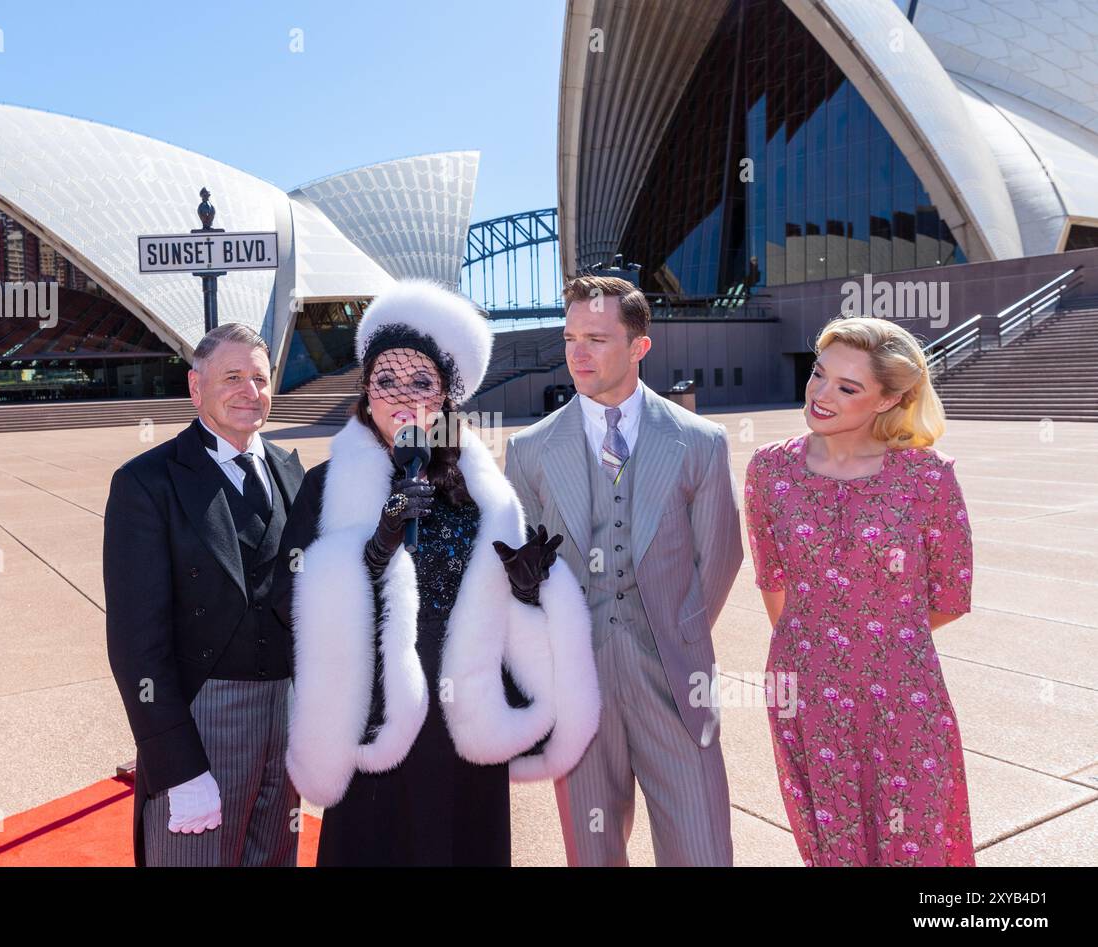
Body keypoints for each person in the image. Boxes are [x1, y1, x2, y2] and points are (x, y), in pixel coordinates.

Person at [274, 279, 599, 866]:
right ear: (366, 392)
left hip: (462, 725)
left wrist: (530, 591)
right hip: (377, 718)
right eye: (386, 381)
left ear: (447, 397)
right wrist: (374, 549)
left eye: (422, 383)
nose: (403, 397)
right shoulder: (324, 487)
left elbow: (506, 613)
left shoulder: (484, 491)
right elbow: (286, 601)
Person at [505, 275, 744, 866]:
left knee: (702, 844)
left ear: (640, 345)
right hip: (577, 685)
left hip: (674, 677)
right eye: (569, 339)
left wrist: (680, 631)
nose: (578, 353)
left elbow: (720, 555)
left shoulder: (700, 441)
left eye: (596, 338)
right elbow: (522, 572)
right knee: (592, 850)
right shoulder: (529, 449)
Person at [744, 315, 975, 866]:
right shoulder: (768, 470)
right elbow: (772, 582)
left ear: (888, 400)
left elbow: (950, 595)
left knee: (914, 840)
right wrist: (819, 642)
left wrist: (878, 635)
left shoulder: (927, 478)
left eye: (847, 387)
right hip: (804, 686)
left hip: (903, 689)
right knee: (832, 842)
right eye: (819, 374)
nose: (821, 394)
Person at [103, 322, 305, 866]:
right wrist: (177, 765)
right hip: (202, 719)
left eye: (260, 379)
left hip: (285, 720)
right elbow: (135, 646)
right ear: (196, 388)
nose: (250, 392)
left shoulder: (291, 471)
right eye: (233, 377)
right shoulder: (147, 483)